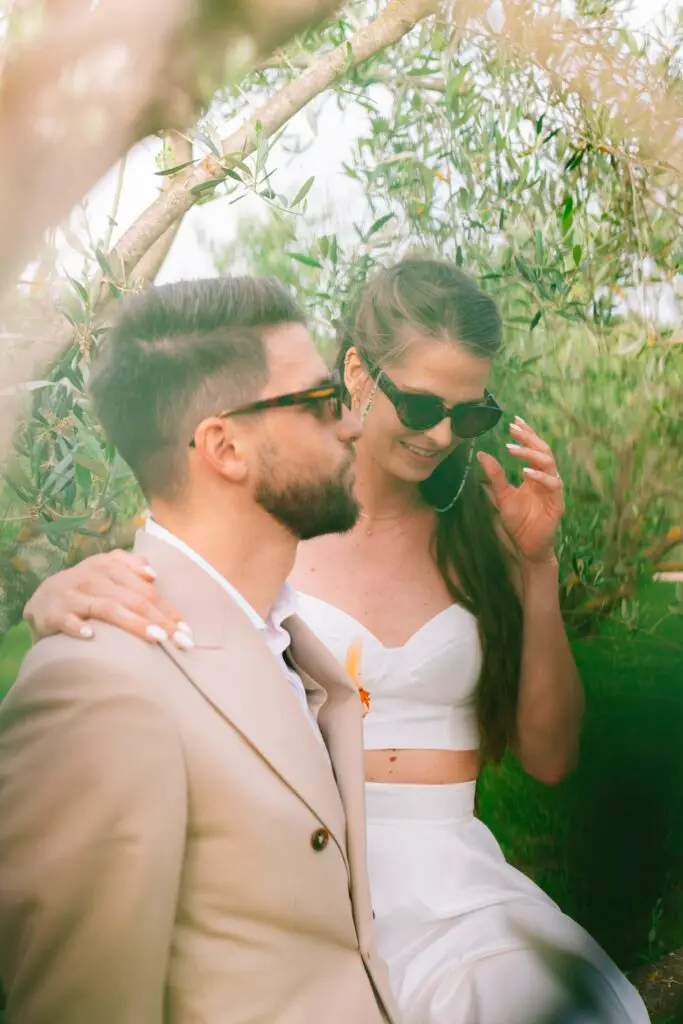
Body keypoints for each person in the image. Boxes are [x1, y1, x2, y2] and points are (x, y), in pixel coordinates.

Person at [24, 258, 650, 1023]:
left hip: (454, 881)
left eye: (471, 416)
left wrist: (536, 567)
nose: (443, 436)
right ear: (359, 374)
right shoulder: (243, 559)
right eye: (418, 406)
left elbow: (549, 756)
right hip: (316, 883)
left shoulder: (471, 534)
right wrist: (59, 601)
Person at [0, 277, 398, 1024]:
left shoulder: (287, 645)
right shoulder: (99, 690)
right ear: (224, 446)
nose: (349, 427)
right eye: (318, 404)